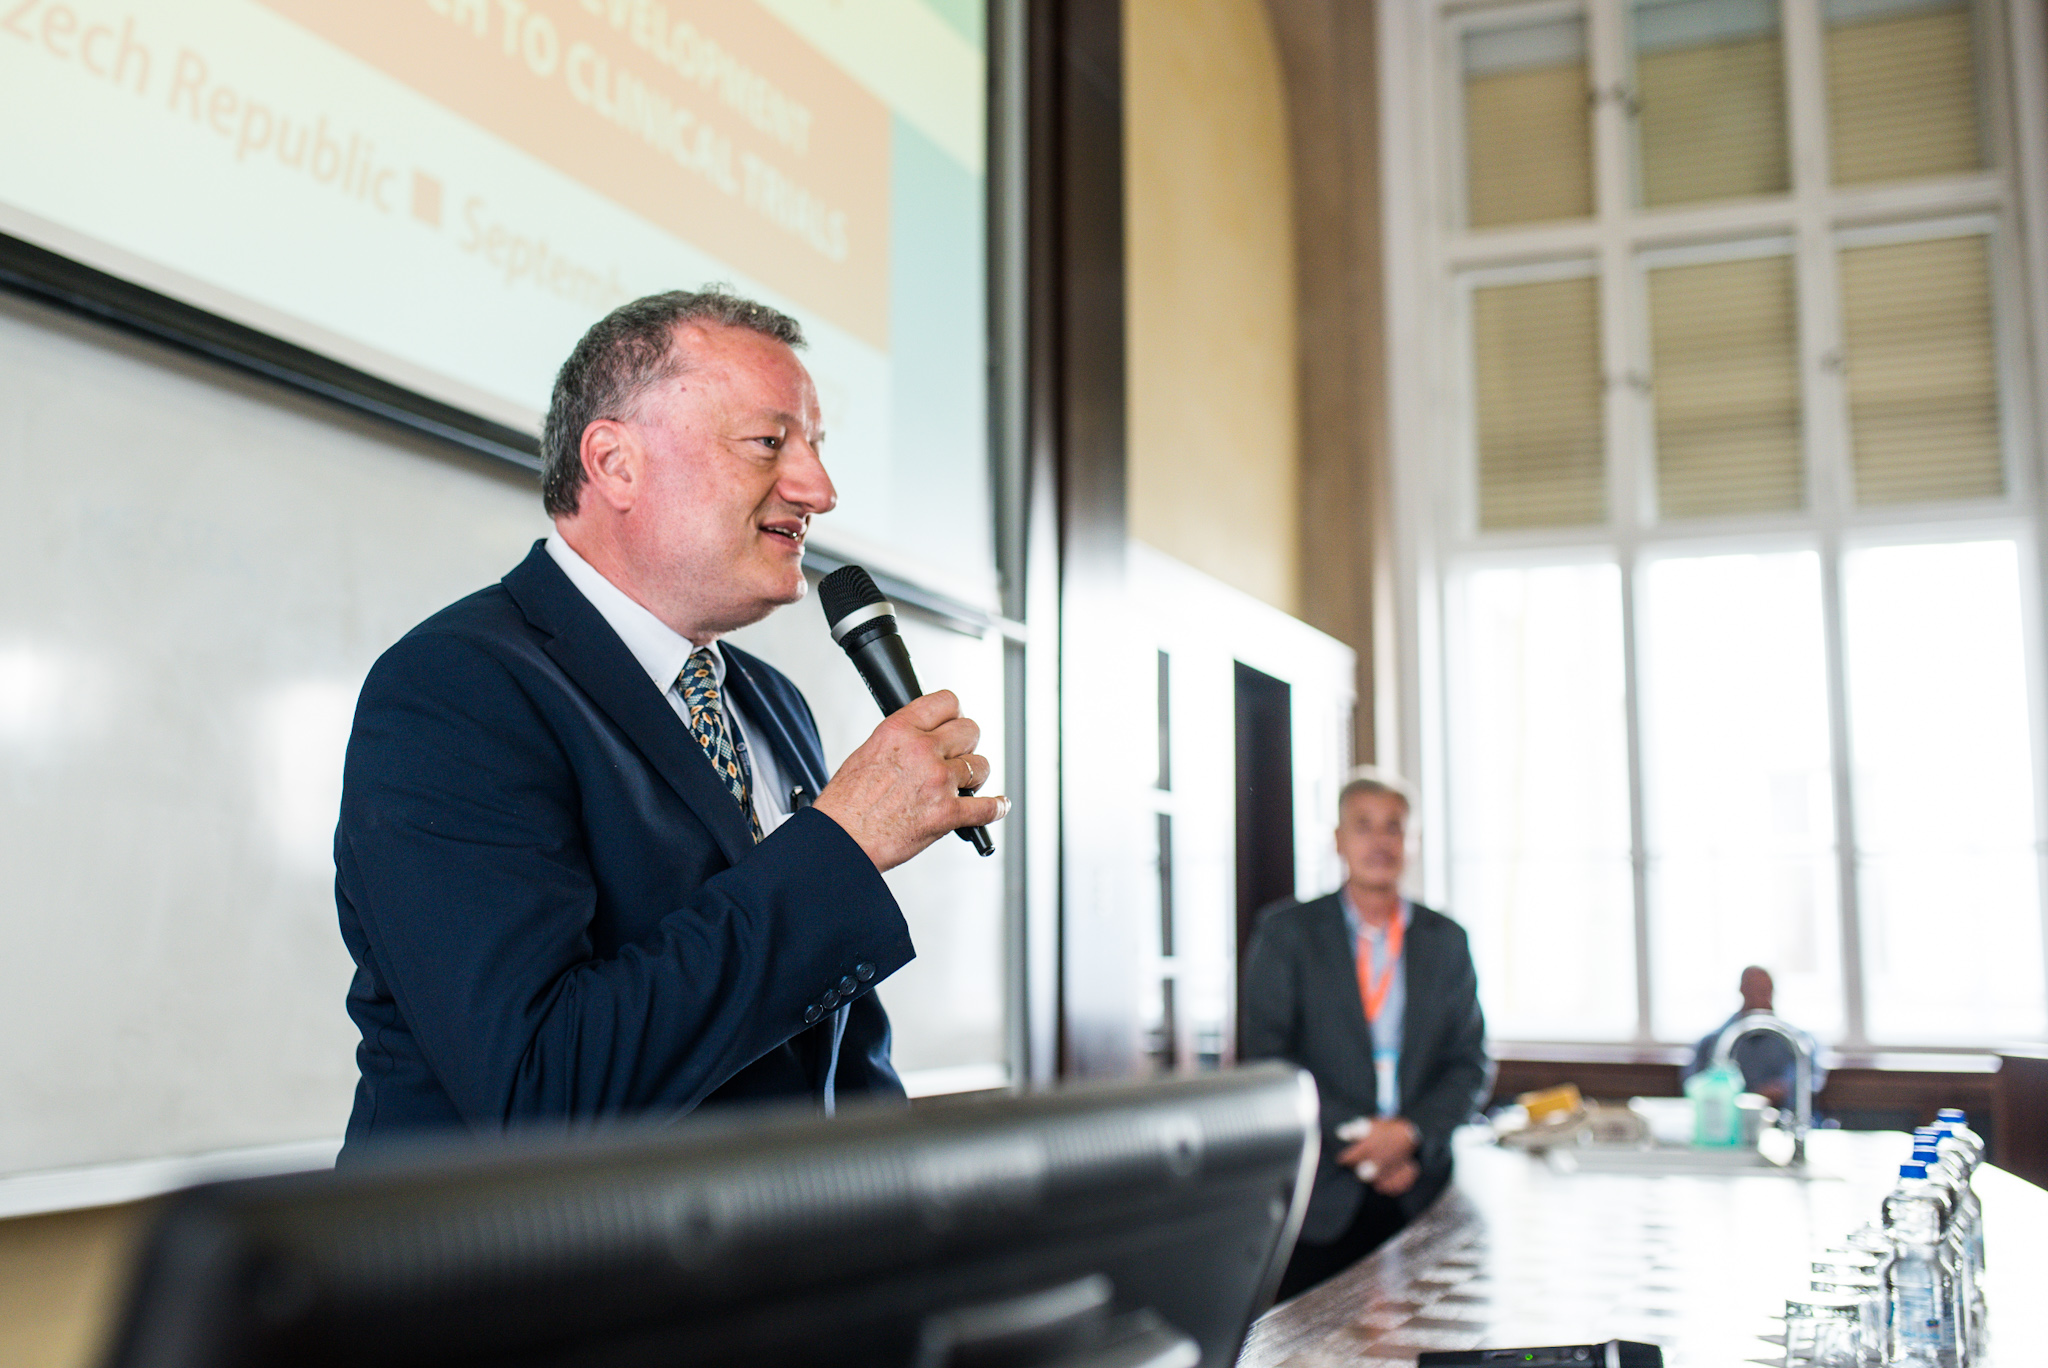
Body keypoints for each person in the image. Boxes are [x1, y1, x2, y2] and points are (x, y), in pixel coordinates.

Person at [333, 288, 1006, 1158]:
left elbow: (831, 1058)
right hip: (528, 1287)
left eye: (816, 448)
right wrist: (841, 845)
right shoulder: (454, 688)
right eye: (770, 442)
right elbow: (544, 1089)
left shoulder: (770, 700)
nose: (820, 490)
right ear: (614, 463)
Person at [1240, 770, 1493, 1300]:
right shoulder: (1286, 933)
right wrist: (1366, 1142)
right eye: (1363, 826)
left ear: (1413, 841)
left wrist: (1409, 1135)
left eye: (1394, 828)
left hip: (1422, 1189)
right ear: (1338, 840)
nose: (1380, 842)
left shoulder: (1446, 940)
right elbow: (1268, 1059)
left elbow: (1469, 1063)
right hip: (1320, 1195)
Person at [1681, 966, 1827, 1107]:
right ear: (1742, 990)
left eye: (1764, 991)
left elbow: (1809, 1079)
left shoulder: (1796, 1041)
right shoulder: (1715, 1042)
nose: (1759, 997)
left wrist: (1783, 1088)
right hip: (1733, 1121)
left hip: (1782, 1118)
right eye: (1753, 990)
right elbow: (1695, 1084)